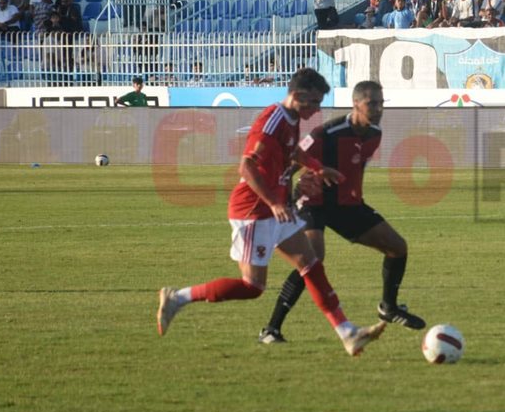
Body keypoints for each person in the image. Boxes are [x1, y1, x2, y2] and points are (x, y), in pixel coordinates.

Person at [157, 68, 387, 357]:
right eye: (314, 102)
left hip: (275, 208)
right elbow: (247, 167)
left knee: (311, 263)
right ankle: (178, 298)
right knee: (253, 286)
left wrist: (317, 167)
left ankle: (347, 333)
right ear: (298, 95)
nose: (317, 109)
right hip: (253, 210)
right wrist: (275, 203)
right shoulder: (274, 119)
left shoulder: (291, 119)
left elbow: (290, 152)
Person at [259, 81, 423, 344]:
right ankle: (271, 328)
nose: (379, 109)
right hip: (313, 203)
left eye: (381, 103)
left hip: (346, 205)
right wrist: (293, 188)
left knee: (397, 247)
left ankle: (388, 307)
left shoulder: (374, 134)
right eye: (372, 103)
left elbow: (355, 168)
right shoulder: (327, 132)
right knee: (312, 259)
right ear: (355, 103)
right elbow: (292, 158)